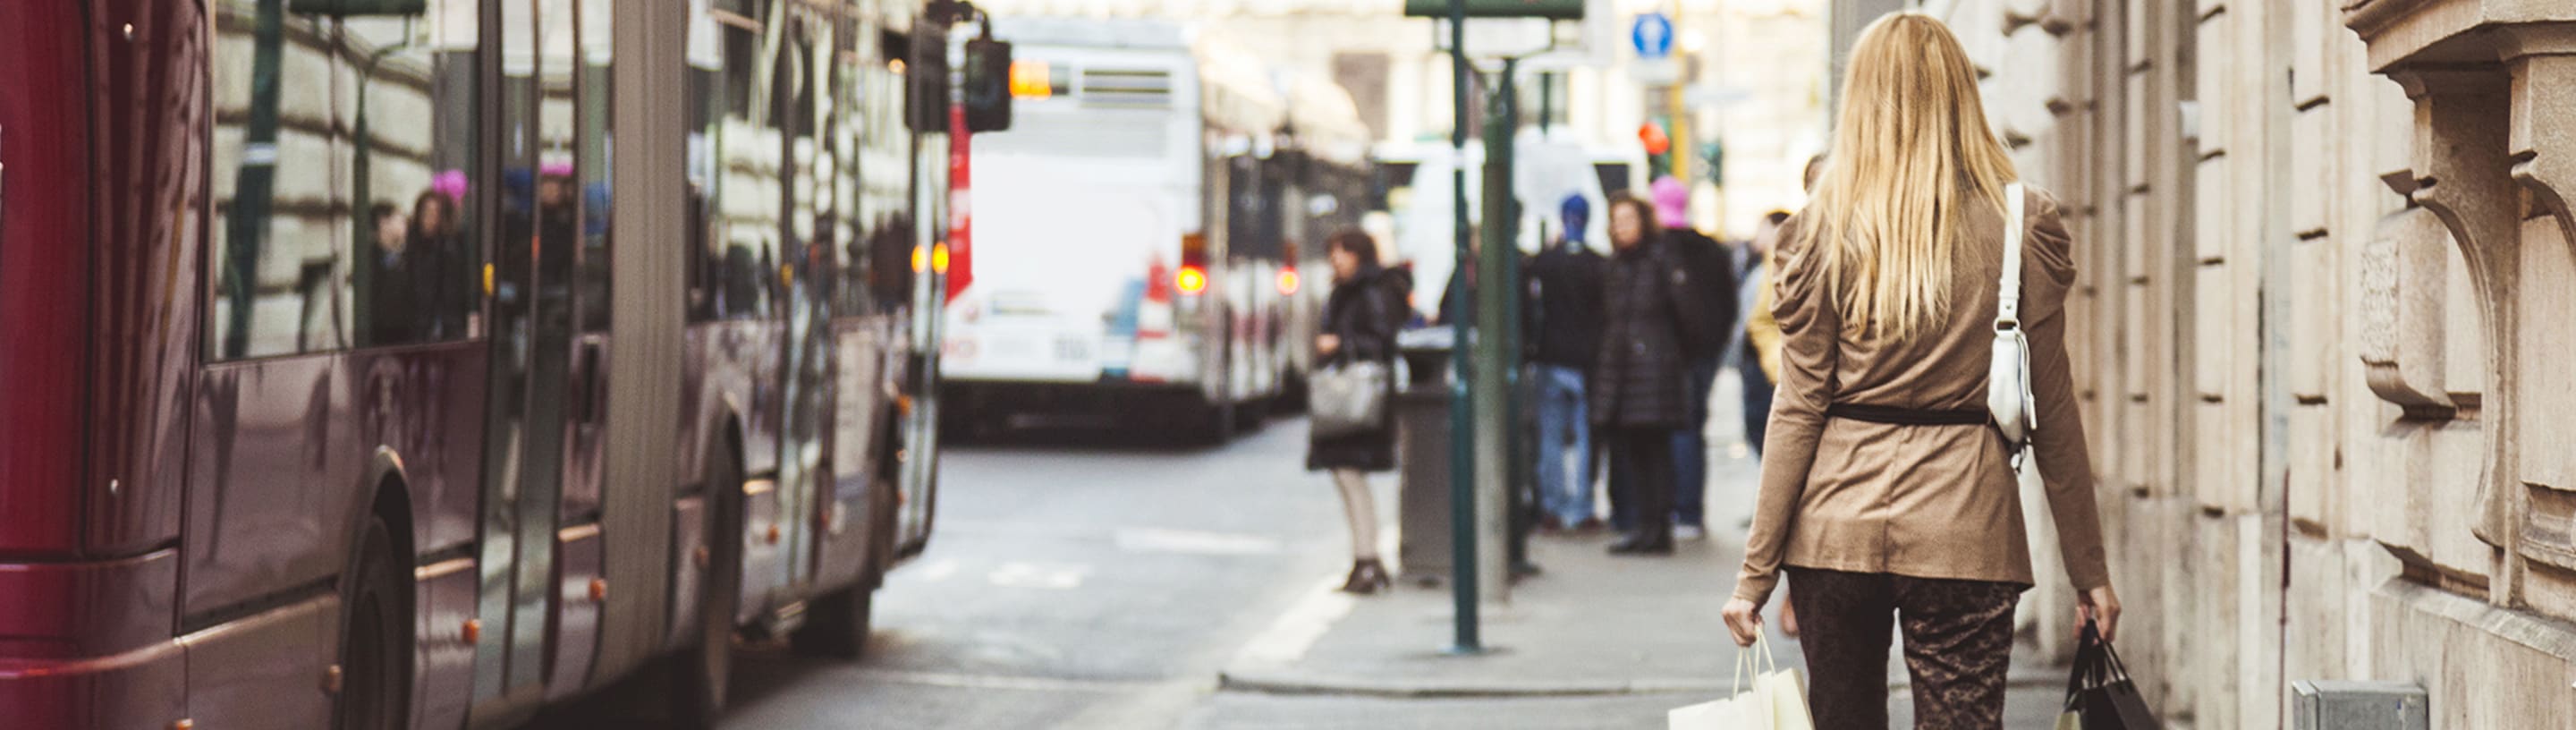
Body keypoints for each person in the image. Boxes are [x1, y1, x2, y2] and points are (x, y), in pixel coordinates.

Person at [1721, 13, 2120, 728]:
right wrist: (2089, 571)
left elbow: (1799, 405)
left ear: (1861, 101)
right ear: (1961, 95)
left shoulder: (1817, 231)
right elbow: (2053, 409)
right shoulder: (2019, 222)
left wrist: (1755, 577)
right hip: (1967, 527)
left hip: (1834, 526)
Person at [1591, 192, 1712, 556]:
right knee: (1634, 452)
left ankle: (1658, 528)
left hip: (1655, 369)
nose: (1622, 228)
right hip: (1624, 370)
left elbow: (1688, 316)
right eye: (1616, 221)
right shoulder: (1616, 266)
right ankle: (1644, 525)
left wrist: (1672, 356)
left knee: (1655, 452)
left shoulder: (1660, 260)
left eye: (1628, 219)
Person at [1308, 229, 1410, 594]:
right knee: (1345, 474)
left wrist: (1340, 344)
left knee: (1350, 475)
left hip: (1360, 396)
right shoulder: (1348, 290)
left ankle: (1368, 559)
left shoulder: (1371, 290)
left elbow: (1383, 340)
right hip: (1348, 397)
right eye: (1332, 252)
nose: (1336, 258)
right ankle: (1365, 558)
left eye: (1343, 252)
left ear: (1359, 255)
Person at [1649, 177, 1740, 541]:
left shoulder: (1658, 249)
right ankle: (1688, 511)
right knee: (1691, 429)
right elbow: (1729, 305)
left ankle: (1678, 508)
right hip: (1702, 354)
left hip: (1672, 356)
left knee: (1674, 432)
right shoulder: (1711, 250)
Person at [1526, 194, 1609, 532]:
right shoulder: (1598, 264)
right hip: (1586, 361)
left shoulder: (1545, 263)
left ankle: (1553, 507)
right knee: (1586, 439)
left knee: (1551, 438)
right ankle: (1582, 506)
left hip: (1551, 357)